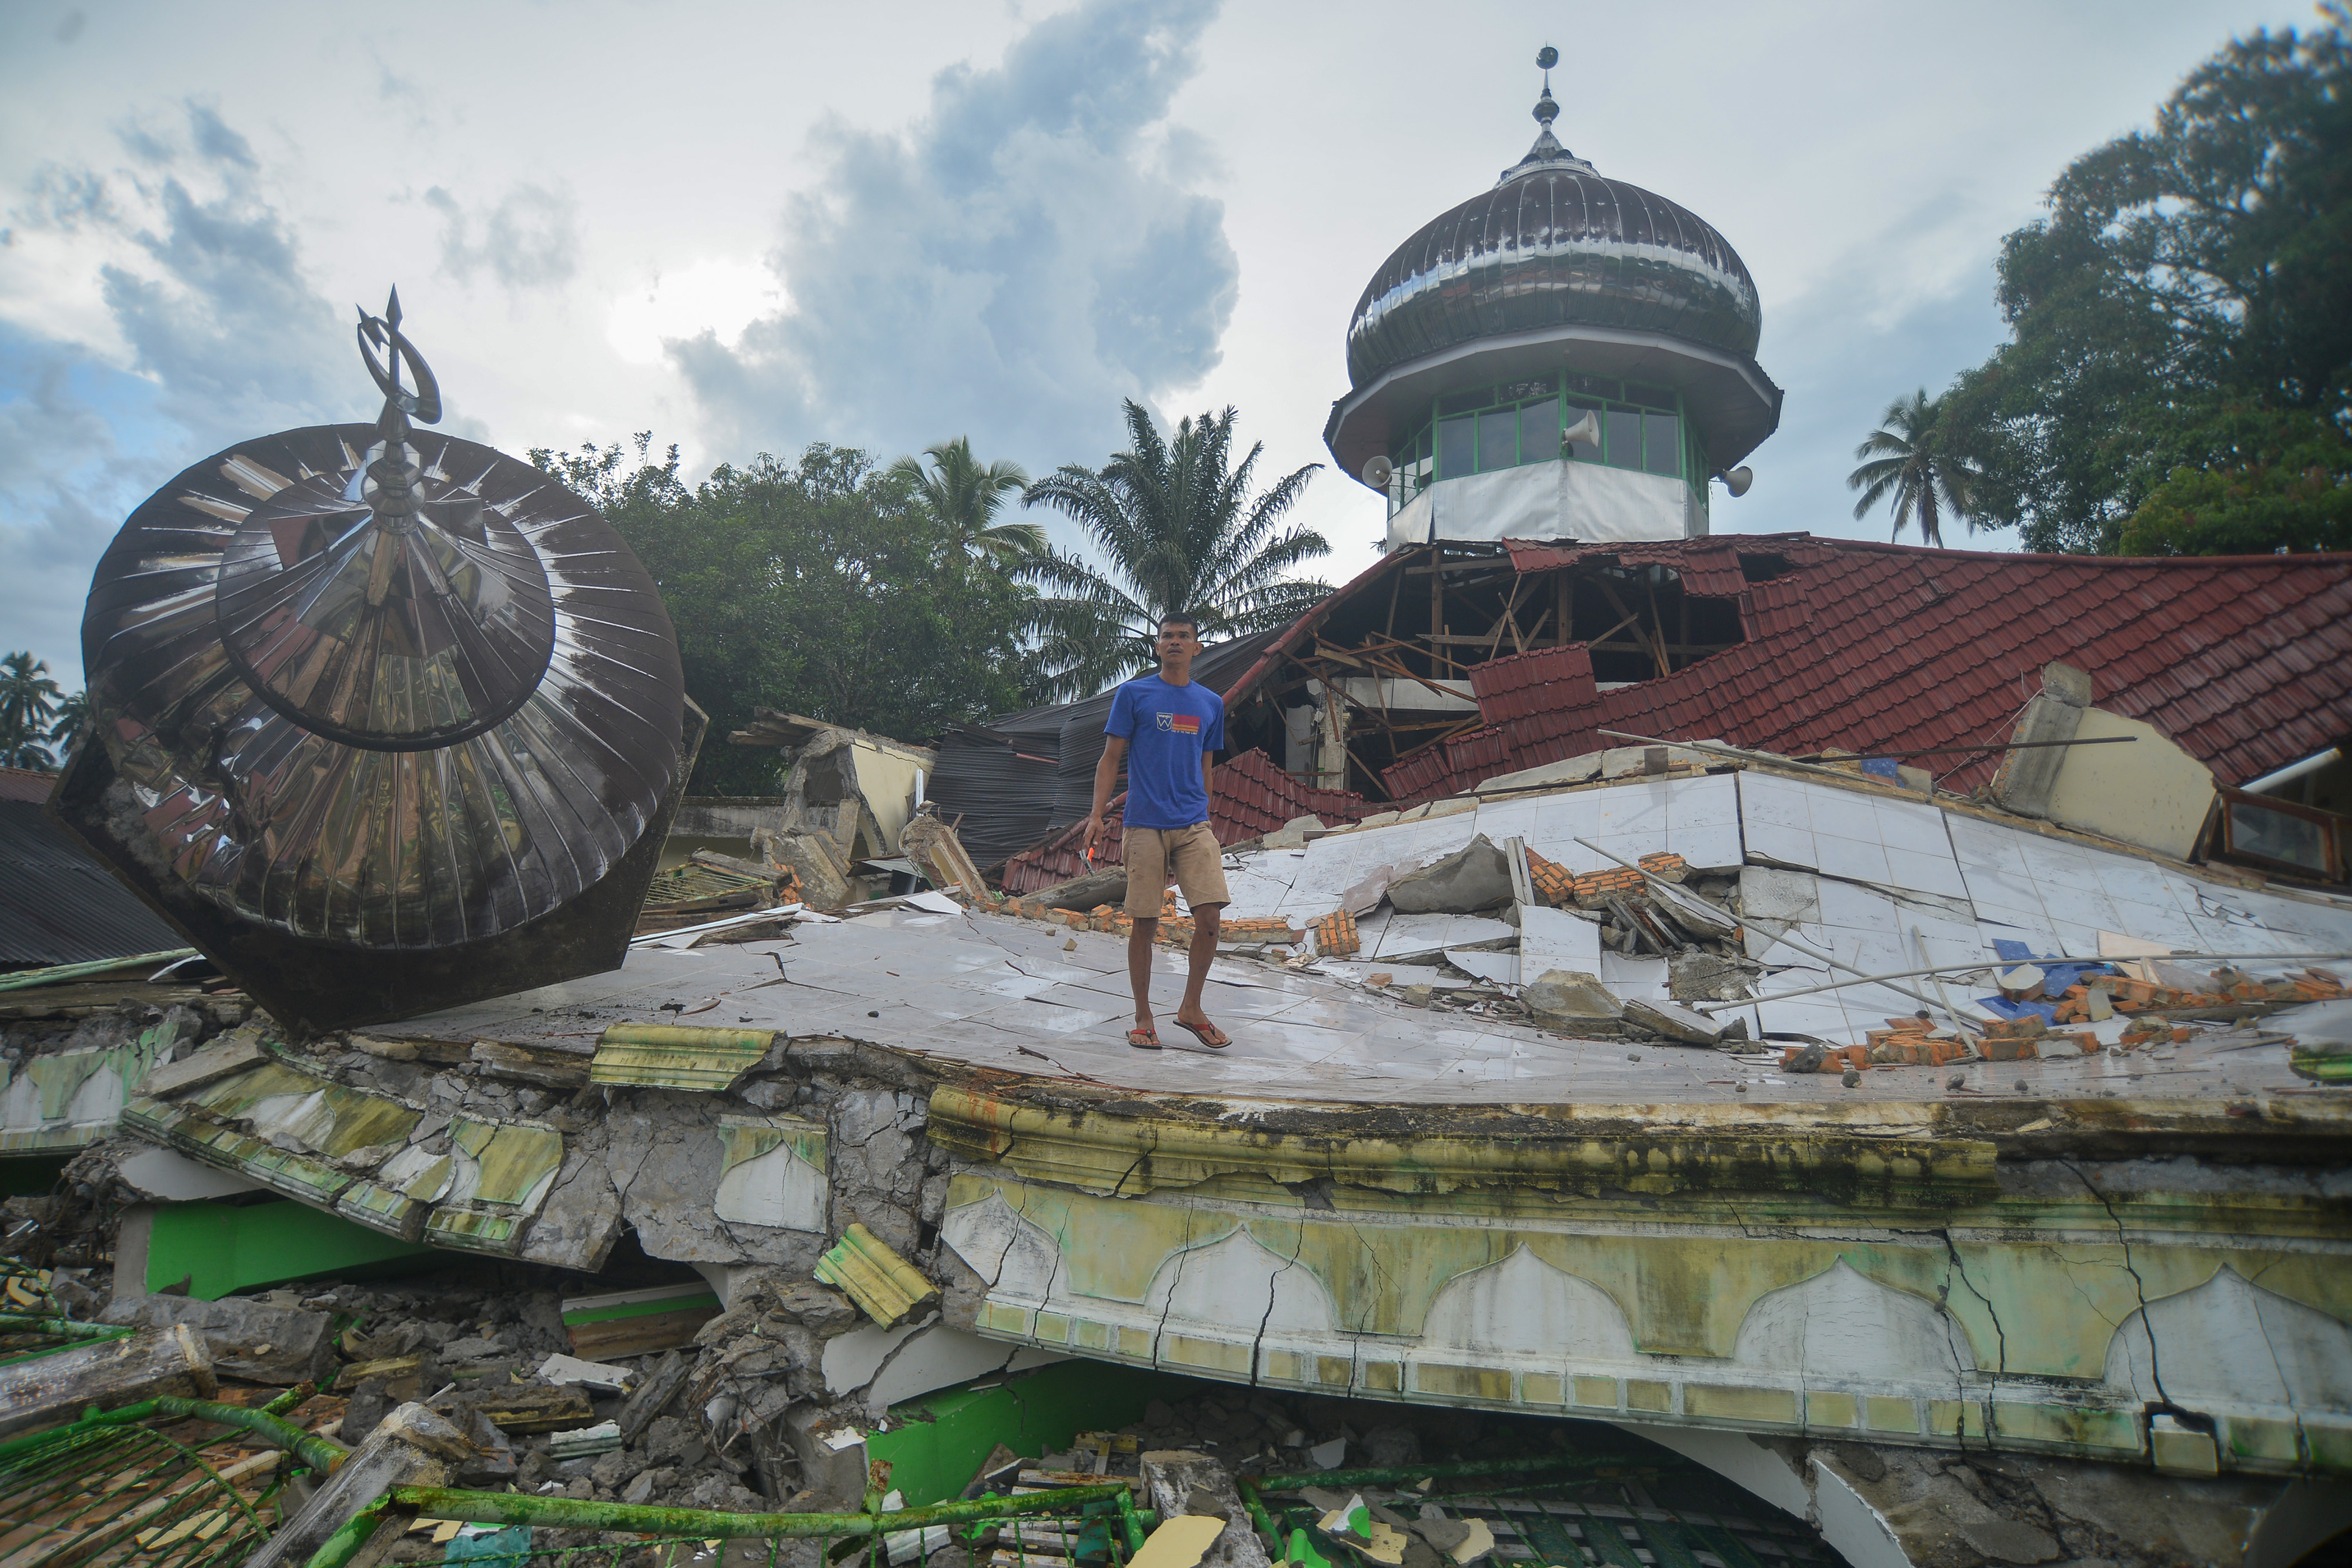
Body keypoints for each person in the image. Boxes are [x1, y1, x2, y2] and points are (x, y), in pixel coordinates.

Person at [1083, 613, 1231, 1050]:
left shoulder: (1211, 704)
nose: (1175, 642)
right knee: (1144, 923)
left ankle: (1191, 1007)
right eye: (1167, 636)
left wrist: (1205, 813)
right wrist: (1096, 816)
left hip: (1192, 824)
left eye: (1184, 636)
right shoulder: (1134, 694)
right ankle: (1144, 1017)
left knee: (1209, 917)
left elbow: (1207, 764)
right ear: (1157, 645)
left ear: (1196, 647)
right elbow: (1110, 758)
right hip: (1144, 823)